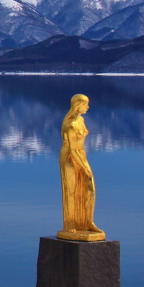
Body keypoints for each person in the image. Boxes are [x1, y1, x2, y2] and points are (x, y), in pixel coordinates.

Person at [57, 93, 105, 241]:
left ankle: (88, 221)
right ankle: (71, 223)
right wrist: (84, 167)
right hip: (70, 158)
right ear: (77, 106)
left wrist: (84, 164)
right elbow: (72, 149)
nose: (88, 107)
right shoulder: (70, 124)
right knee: (71, 189)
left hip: (81, 155)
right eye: (85, 104)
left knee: (89, 188)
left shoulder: (81, 120)